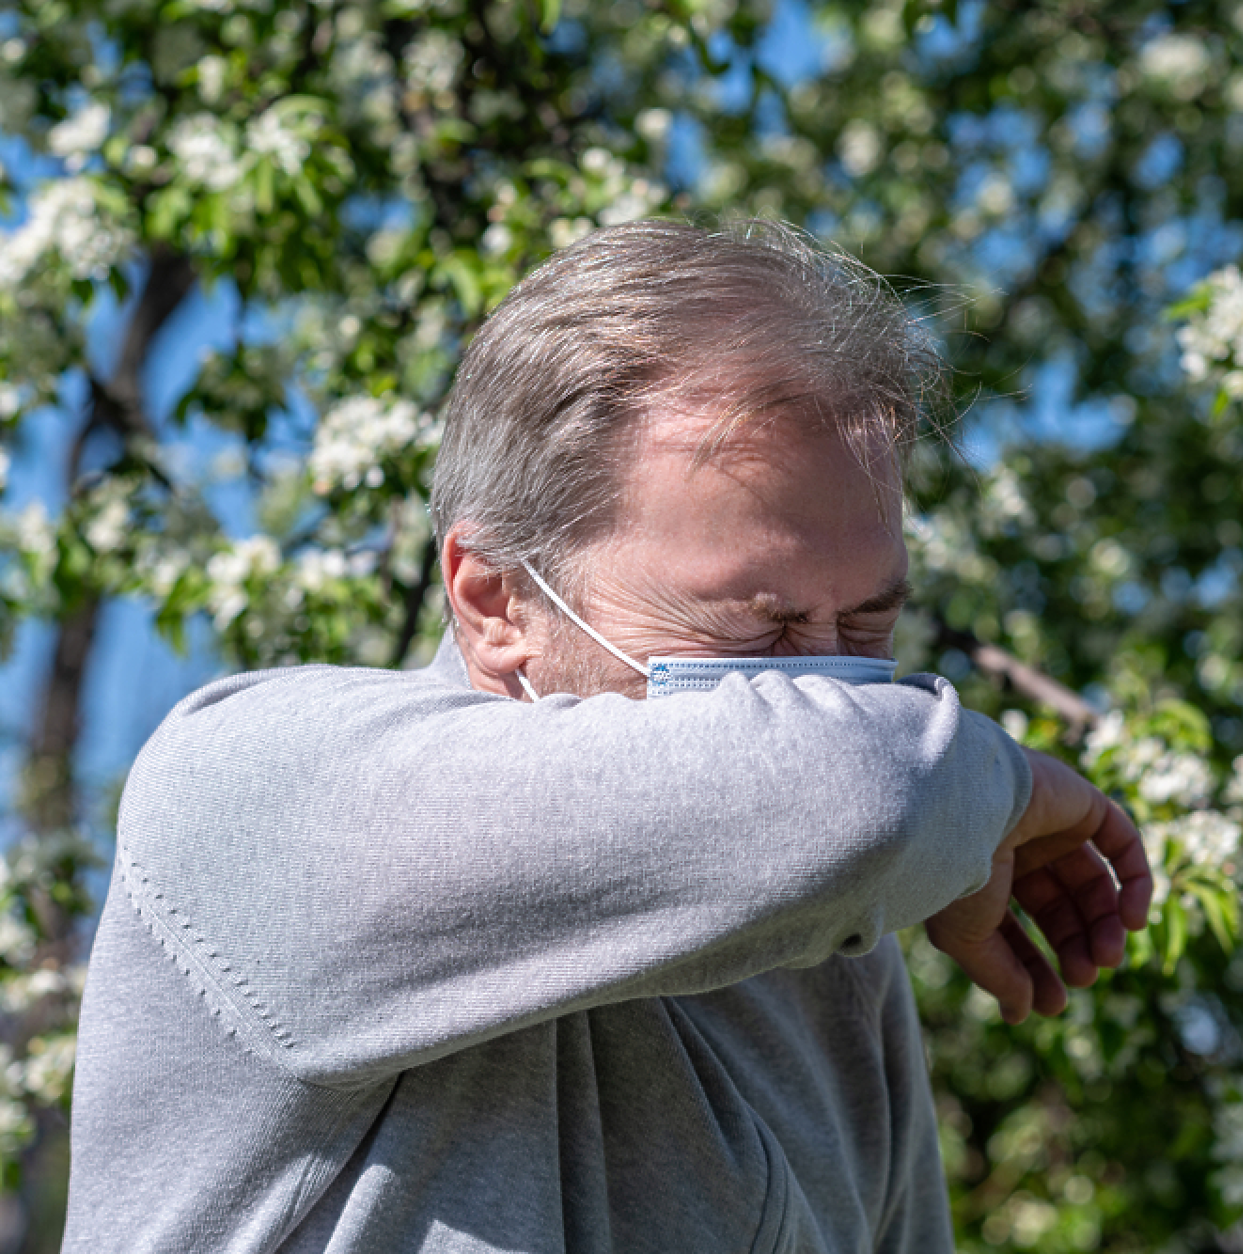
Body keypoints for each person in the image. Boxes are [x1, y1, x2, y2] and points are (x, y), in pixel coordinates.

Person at [64, 220, 1152, 1252]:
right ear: (495, 603)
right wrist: (988, 791)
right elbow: (867, 796)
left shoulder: (832, 964)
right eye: (757, 623)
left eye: (866, 622)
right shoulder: (251, 790)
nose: (839, 678)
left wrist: (935, 818)